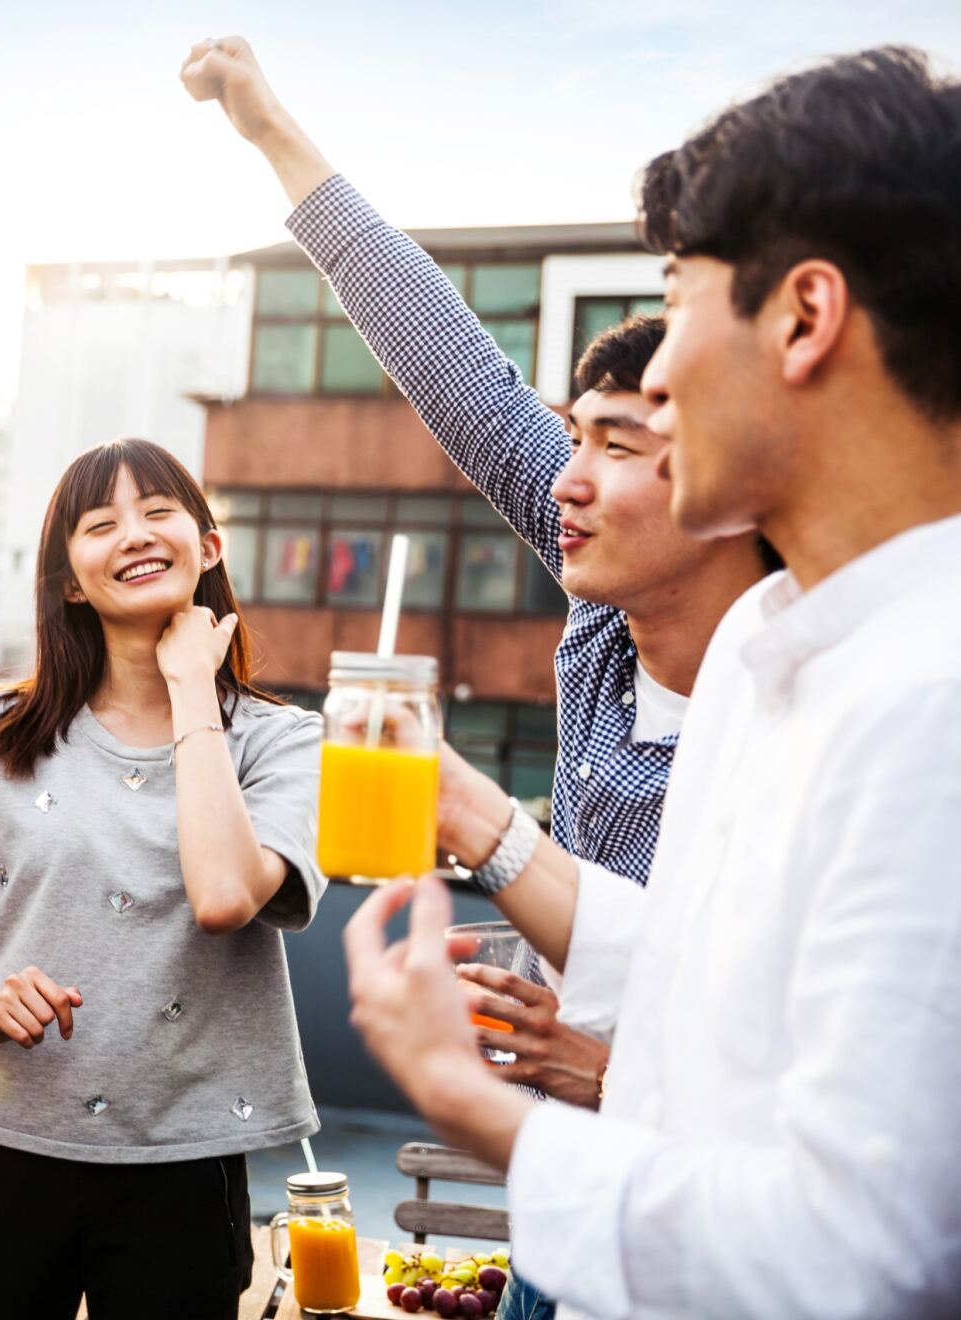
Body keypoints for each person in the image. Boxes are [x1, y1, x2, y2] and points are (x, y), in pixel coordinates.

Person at [335, 47, 961, 1319]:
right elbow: (690, 959)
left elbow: (864, 1252)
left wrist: (465, 1103)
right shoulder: (763, 648)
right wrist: (478, 819)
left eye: (675, 304)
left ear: (805, 315)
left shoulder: (932, 700)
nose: (658, 377)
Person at [181, 41, 777, 1314]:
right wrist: (269, 128)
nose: (562, 476)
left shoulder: (792, 705)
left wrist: (607, 1062)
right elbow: (443, 355)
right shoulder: (600, 613)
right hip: (564, 1197)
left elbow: (782, 1085)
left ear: (730, 484)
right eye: (571, 437)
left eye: (617, 442)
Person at [0, 439, 329, 1319]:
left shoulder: (282, 742)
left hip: (184, 1161)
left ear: (207, 547)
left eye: (158, 511)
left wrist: (193, 687)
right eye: (101, 523)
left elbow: (225, 897)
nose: (134, 533)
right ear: (72, 582)